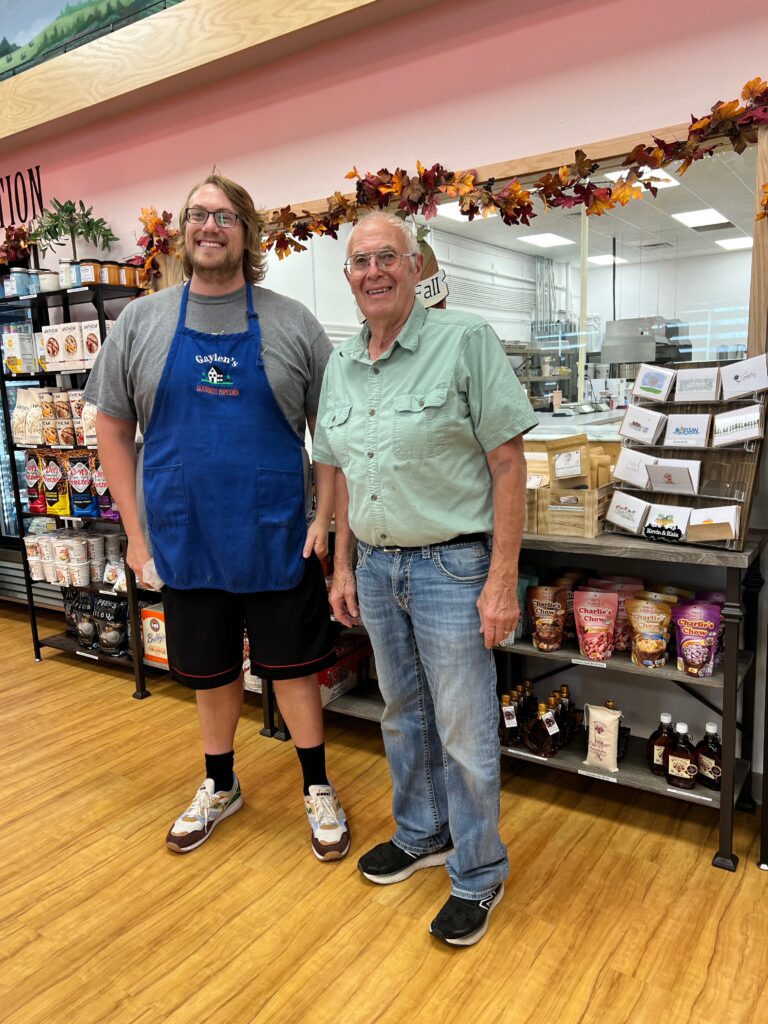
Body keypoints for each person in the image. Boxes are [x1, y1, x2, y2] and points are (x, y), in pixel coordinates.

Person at [84, 173, 350, 862]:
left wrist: (324, 517)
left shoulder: (292, 322)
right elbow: (111, 428)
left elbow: (335, 434)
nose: (210, 226)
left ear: (247, 233)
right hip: (184, 533)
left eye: (226, 215)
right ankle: (220, 783)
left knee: (291, 670)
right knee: (211, 674)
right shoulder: (142, 322)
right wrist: (137, 536)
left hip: (278, 534)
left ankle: (317, 787)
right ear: (182, 232)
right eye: (198, 214)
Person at [312, 211, 538, 945]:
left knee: (467, 729)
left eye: (387, 257)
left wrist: (502, 579)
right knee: (403, 715)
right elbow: (342, 471)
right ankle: (422, 833)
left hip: (452, 565)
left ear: (415, 268)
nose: (373, 271)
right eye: (360, 261)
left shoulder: (464, 341)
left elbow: (510, 465)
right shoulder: (342, 364)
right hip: (376, 567)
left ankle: (477, 871)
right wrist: (343, 564)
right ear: (348, 278)